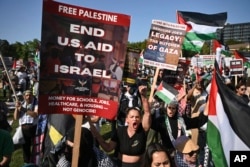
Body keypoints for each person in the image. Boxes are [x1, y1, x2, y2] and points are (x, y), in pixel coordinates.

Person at [89, 85, 151, 167]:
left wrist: (143, 96)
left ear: (140, 119)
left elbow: (147, 113)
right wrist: (94, 130)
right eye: (132, 117)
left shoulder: (143, 130)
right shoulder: (120, 131)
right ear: (127, 120)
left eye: (137, 117)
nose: (134, 119)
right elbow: (108, 148)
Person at [13, 90, 38, 164]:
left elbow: (35, 114)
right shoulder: (21, 104)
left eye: (30, 95)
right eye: (26, 95)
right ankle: (27, 162)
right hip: (24, 129)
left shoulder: (36, 103)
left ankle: (35, 162)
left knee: (35, 147)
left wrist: (23, 109)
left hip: (34, 128)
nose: (28, 97)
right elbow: (15, 118)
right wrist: (17, 108)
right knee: (25, 148)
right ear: (24, 97)